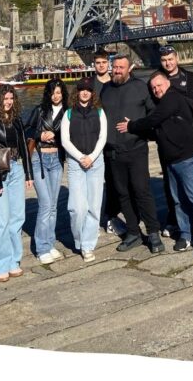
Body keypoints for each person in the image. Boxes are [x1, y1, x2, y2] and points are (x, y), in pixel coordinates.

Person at [121, 72, 193, 260]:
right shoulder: (162, 104)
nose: (156, 90)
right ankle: (186, 235)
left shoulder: (172, 98)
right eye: (153, 88)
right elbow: (157, 131)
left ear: (167, 84)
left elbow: (154, 119)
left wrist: (132, 126)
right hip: (172, 160)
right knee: (178, 200)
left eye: (159, 85)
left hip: (189, 156)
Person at [101, 56, 164, 253]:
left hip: (136, 149)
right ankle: (133, 232)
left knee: (141, 191)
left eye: (121, 67)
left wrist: (137, 127)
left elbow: (153, 115)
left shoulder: (140, 87)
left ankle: (153, 232)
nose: (117, 70)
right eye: (115, 67)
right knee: (122, 194)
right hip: (113, 151)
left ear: (130, 69)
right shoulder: (105, 89)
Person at [0, 85, 33, 282]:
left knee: (17, 218)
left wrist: (28, 173)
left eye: (11, 98)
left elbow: (24, 146)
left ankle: (13, 261)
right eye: (5, 98)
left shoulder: (16, 119)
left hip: (16, 169)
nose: (8, 102)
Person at [60, 77, 107, 262]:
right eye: (82, 89)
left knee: (94, 206)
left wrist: (92, 157)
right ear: (77, 92)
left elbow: (103, 137)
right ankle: (79, 239)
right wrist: (81, 157)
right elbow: (65, 141)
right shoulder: (68, 114)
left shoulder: (100, 112)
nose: (85, 92)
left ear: (92, 93)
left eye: (88, 90)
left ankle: (88, 245)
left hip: (96, 162)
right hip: (75, 164)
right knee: (77, 208)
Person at [156, 45, 193, 237]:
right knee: (170, 182)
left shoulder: (190, 78)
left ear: (177, 59)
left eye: (170, 59)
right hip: (167, 138)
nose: (168, 63)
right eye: (164, 60)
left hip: (190, 137)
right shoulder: (156, 80)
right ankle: (174, 218)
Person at [26, 78, 68, 264]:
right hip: (39, 158)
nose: (56, 96)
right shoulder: (39, 110)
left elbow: (71, 134)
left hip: (57, 159)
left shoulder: (68, 112)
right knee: (45, 204)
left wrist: (56, 136)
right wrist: (40, 135)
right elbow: (26, 130)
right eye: (52, 93)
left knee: (53, 205)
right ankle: (42, 248)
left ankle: (50, 243)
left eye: (58, 92)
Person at [93, 49, 126, 237]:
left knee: (115, 180)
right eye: (98, 63)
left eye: (104, 63)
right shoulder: (89, 85)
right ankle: (97, 218)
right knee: (97, 181)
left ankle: (112, 215)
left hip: (116, 138)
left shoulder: (117, 82)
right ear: (94, 65)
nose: (101, 66)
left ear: (109, 64)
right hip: (96, 140)